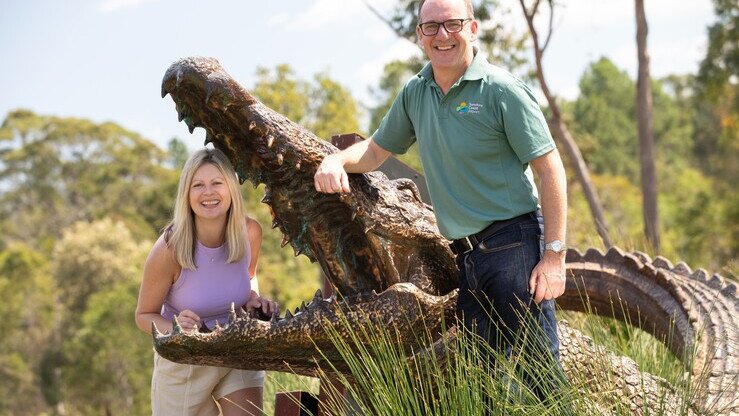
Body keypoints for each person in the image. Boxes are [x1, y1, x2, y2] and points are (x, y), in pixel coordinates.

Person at [314, 0, 567, 400]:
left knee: (541, 379)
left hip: (514, 246)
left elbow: (551, 170)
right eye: (431, 27)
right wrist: (335, 160)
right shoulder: (416, 92)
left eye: (452, 24)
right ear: (419, 35)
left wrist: (553, 256)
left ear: (473, 28)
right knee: (479, 390)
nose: (442, 35)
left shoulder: (501, 91)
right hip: (465, 257)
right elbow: (375, 152)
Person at [135, 147, 278, 416]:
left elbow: (248, 276)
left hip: (236, 348)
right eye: (198, 185)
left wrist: (253, 298)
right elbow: (143, 316)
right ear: (186, 195)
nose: (208, 193)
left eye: (216, 183)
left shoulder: (249, 232)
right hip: (185, 361)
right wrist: (176, 328)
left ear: (231, 189)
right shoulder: (170, 247)